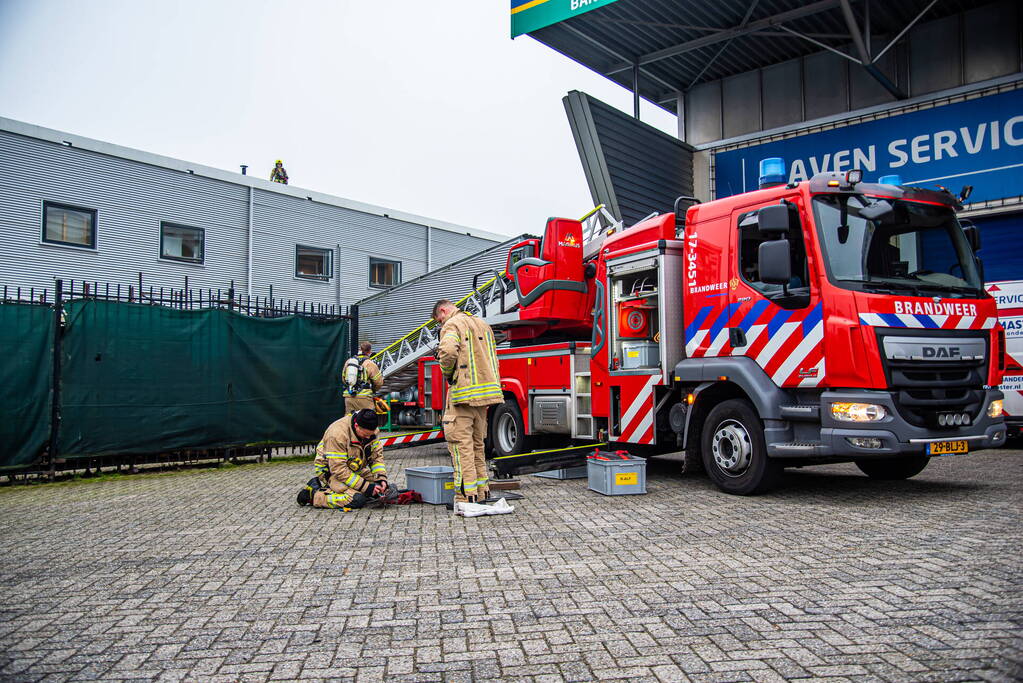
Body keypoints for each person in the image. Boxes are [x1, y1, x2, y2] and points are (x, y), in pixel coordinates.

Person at [432, 299, 503, 505]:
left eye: (439, 319)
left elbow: (447, 352)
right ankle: (482, 492)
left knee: (459, 445)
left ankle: (465, 496)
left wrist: (448, 375)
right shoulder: (483, 325)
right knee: (477, 446)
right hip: (483, 396)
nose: (441, 323)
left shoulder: (452, 324)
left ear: (443, 310)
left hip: (462, 395)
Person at [296, 409, 394, 509]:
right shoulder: (337, 434)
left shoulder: (372, 431)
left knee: (387, 490)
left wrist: (380, 479)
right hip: (330, 471)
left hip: (353, 468)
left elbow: (376, 458)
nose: (368, 438)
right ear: (356, 426)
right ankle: (313, 494)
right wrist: (367, 487)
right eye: (365, 435)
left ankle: (334, 490)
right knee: (356, 499)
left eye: (370, 434)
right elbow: (339, 470)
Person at [341, 342, 383, 413]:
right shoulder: (370, 364)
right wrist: (373, 390)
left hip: (348, 396)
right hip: (364, 397)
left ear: (360, 349)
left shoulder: (349, 362)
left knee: (350, 420)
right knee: (368, 419)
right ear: (370, 351)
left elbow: (343, 379)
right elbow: (379, 382)